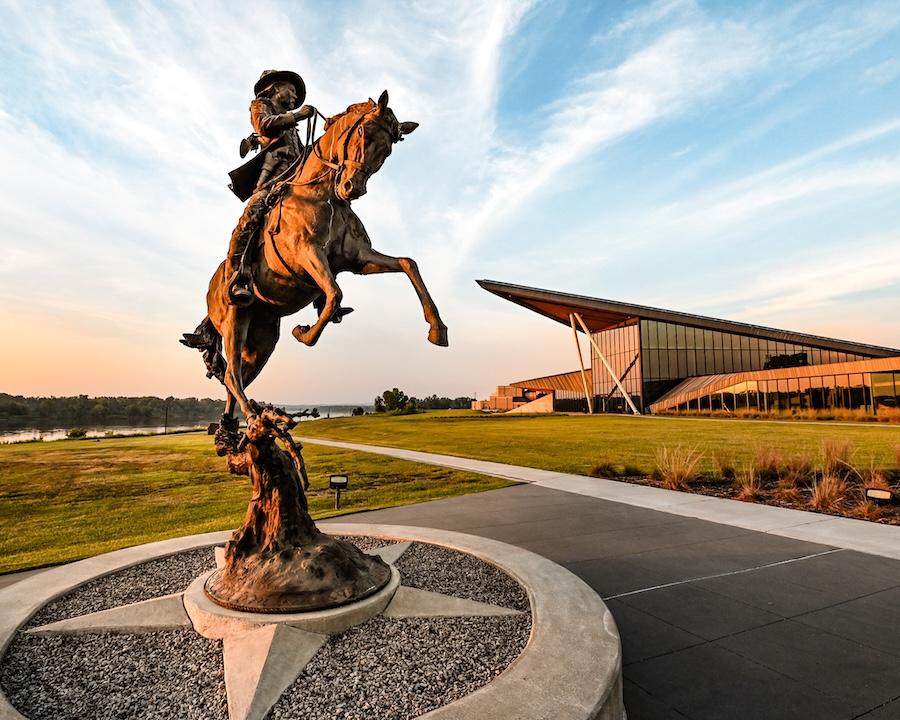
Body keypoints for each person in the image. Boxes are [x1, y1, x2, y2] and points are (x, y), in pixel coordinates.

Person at [226, 69, 315, 305]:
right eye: (292, 90)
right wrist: (297, 115)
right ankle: (236, 276)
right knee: (252, 215)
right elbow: (264, 125)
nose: (295, 97)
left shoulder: (293, 129)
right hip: (271, 180)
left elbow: (301, 155)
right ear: (276, 88)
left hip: (294, 181)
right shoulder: (259, 106)